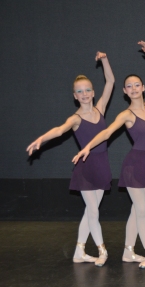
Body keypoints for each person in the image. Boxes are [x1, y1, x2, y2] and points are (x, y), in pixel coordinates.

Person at [72, 41, 145, 269]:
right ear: (124, 92)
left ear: (143, 88)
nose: (133, 89)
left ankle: (127, 251)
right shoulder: (126, 114)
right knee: (142, 210)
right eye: (129, 87)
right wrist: (87, 147)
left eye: (136, 85)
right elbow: (106, 132)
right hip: (133, 166)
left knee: (136, 211)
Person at [27, 52, 114, 267]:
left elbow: (111, 81)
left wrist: (104, 60)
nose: (84, 94)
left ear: (93, 92)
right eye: (79, 92)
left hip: (101, 165)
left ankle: (79, 252)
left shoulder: (100, 109)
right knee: (93, 211)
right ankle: (102, 251)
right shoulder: (75, 119)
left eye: (87, 90)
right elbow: (58, 130)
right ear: (75, 96)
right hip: (85, 167)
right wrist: (41, 138)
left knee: (90, 212)